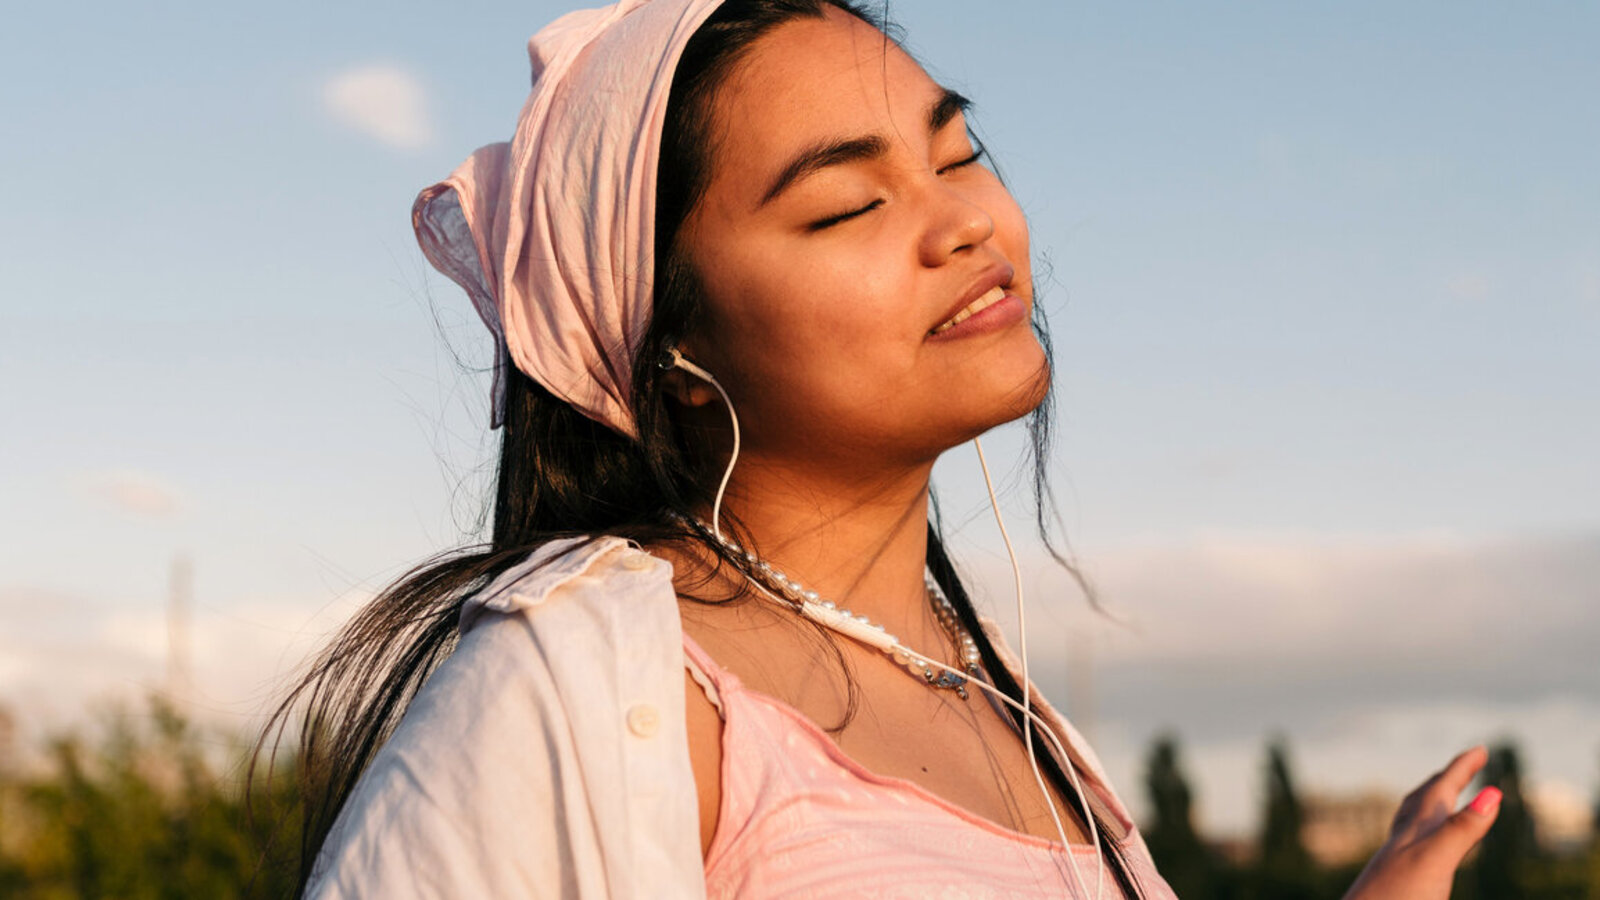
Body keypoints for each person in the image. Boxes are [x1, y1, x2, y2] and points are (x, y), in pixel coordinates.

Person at [266, 1, 1503, 897]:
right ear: (673, 351)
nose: (964, 219)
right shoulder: (587, 684)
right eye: (849, 203)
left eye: (956, 152)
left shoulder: (1001, 700)